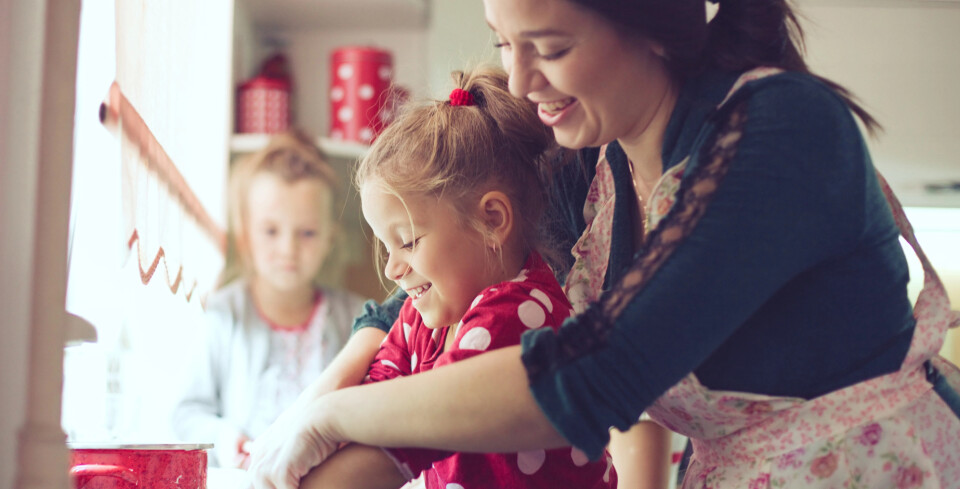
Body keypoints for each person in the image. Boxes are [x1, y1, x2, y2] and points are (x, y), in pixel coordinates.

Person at [250, 0, 960, 488]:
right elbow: (411, 294)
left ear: (649, 24)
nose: (523, 81)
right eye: (504, 41)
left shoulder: (781, 133)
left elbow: (589, 376)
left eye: (551, 48)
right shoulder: (590, 161)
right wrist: (306, 415)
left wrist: (333, 415)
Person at [293, 65, 619, 489]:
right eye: (386, 247)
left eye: (408, 242)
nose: (393, 268)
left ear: (492, 220)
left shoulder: (517, 314)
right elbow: (376, 390)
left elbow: (406, 437)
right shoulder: (421, 315)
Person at [172, 129, 366, 468]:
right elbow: (188, 412)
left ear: (329, 238)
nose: (287, 249)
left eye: (307, 233)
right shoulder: (223, 314)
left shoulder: (358, 319)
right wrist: (228, 441)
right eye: (271, 231)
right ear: (246, 234)